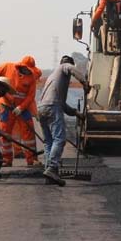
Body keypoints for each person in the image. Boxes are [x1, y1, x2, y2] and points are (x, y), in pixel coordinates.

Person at [38, 55, 88, 186]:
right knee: (59, 139)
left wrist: (77, 113)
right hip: (51, 107)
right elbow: (70, 68)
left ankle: (48, 173)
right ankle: (53, 168)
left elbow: (63, 105)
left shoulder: (52, 78)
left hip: (42, 108)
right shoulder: (64, 67)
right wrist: (85, 82)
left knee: (49, 142)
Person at [0, 55, 42, 167]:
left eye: (29, 70)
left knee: (29, 134)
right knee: (5, 132)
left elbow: (31, 96)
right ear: (21, 66)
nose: (27, 71)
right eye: (26, 69)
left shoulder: (32, 77)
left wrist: (21, 108)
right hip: (6, 107)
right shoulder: (8, 67)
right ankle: (7, 159)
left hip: (22, 109)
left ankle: (32, 160)